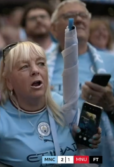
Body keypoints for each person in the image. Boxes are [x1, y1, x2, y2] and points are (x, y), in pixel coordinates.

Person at [49, 0, 114, 166]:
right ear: (54, 29)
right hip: (54, 155)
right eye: (70, 16)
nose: (78, 20)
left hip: (102, 157)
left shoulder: (111, 62)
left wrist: (110, 105)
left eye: (83, 15)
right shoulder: (38, 63)